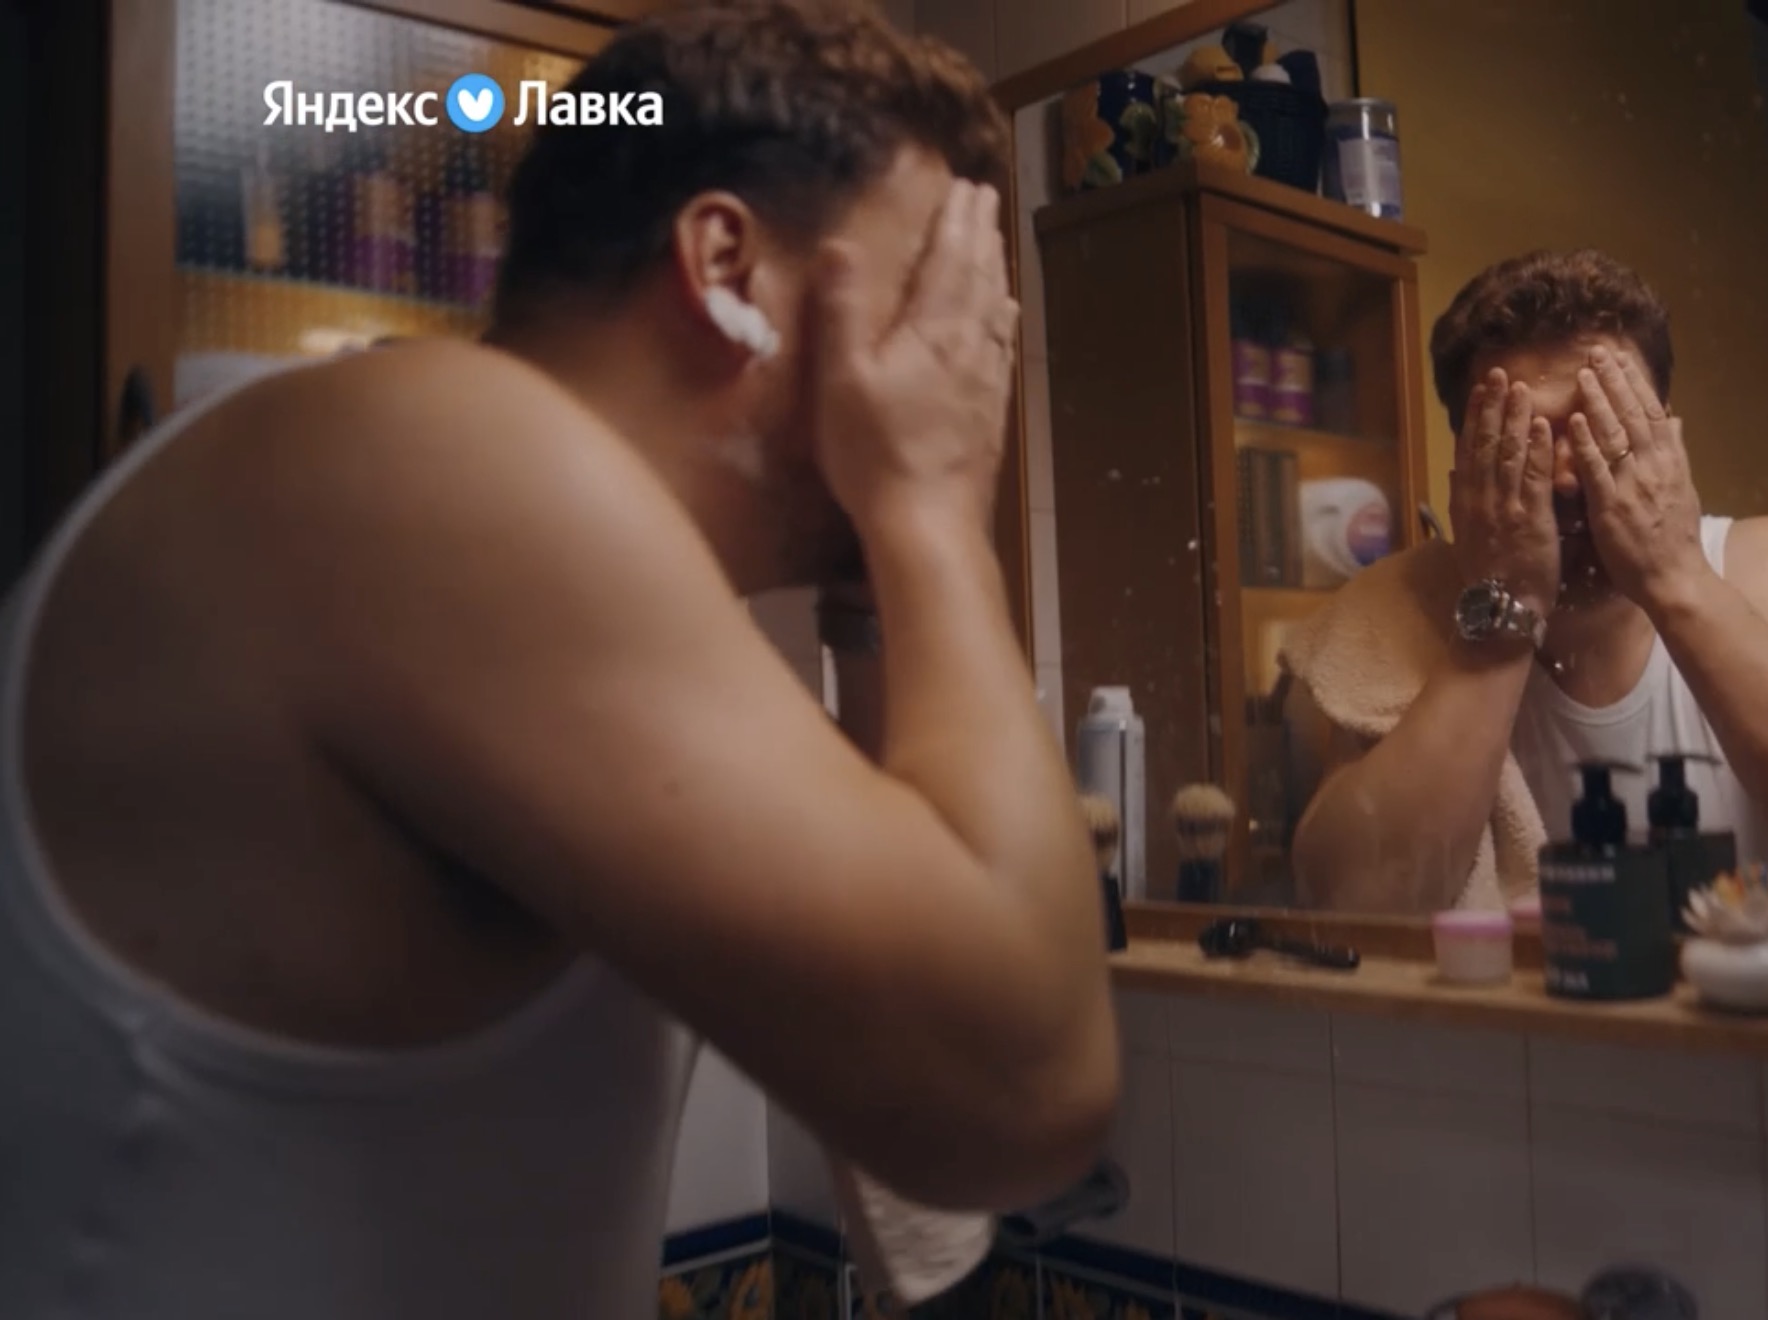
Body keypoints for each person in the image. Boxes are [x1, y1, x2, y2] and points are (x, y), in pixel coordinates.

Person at [0, 3, 1119, 1316]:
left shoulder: (575, 575)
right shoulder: (433, 457)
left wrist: (884, 568)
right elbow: (1014, 1092)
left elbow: (927, 962)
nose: (969, 349)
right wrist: (928, 501)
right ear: (727, 265)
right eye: (932, 279)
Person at [1284, 249, 1768, 914]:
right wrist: (1504, 613)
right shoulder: (1403, 607)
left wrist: (1677, 577)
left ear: (1667, 442)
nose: (1565, 477)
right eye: (1523, 439)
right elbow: (1353, 905)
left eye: (1601, 429)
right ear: (1466, 469)